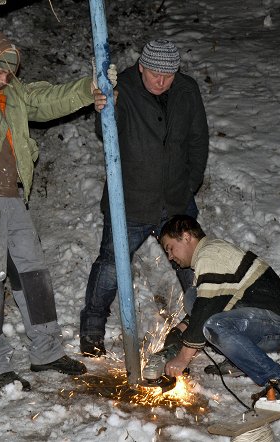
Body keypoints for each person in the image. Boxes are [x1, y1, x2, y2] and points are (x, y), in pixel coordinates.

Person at [0, 10, 112, 390]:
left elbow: (46, 100)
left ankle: (45, 352)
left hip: (12, 198)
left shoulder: (12, 94)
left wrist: (87, 88)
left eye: (10, 70)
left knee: (34, 276)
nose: (4, 77)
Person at [79, 39, 209, 357]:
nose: (162, 82)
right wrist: (102, 106)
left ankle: (203, 327)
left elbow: (197, 138)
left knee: (195, 266)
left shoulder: (187, 90)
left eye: (169, 75)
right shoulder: (121, 87)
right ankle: (92, 329)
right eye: (154, 75)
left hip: (176, 199)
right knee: (110, 264)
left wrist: (189, 183)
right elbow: (104, 129)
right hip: (131, 199)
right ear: (141, 68)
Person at [147, 215, 280, 403]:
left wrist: (182, 358)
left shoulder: (211, 254)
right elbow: (208, 303)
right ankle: (240, 361)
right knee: (193, 296)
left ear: (186, 236)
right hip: (260, 317)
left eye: (170, 248)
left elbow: (207, 311)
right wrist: (178, 332)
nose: (170, 257)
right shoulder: (209, 253)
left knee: (215, 326)